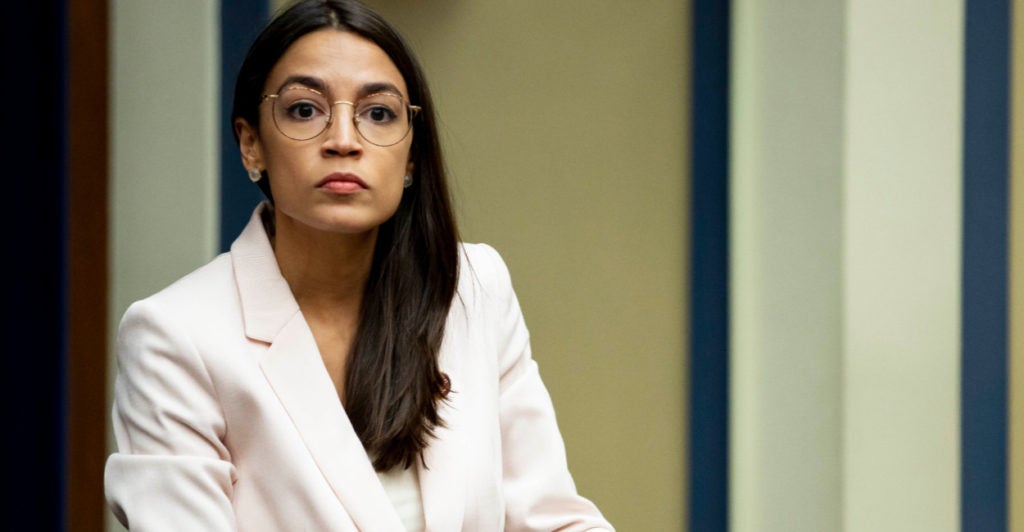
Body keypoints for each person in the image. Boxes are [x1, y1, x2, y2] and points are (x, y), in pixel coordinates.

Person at [103, 1, 614, 530]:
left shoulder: (472, 287)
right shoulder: (175, 335)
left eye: (378, 114)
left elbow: (551, 518)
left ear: (411, 155)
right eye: (305, 110)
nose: (344, 141)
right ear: (251, 144)